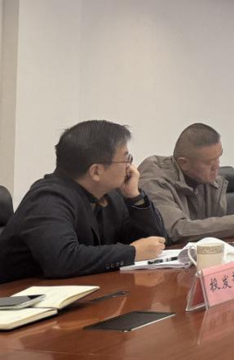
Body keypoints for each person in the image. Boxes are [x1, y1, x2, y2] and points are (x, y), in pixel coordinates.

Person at [0, 120, 167, 283]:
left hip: (79, 289)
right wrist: (132, 252)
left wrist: (134, 197)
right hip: (17, 295)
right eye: (126, 159)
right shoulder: (47, 199)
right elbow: (62, 260)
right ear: (96, 171)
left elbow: (154, 243)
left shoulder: (110, 196)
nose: (130, 167)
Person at [138, 123, 234, 243]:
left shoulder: (206, 179)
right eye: (209, 162)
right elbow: (176, 230)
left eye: (218, 157)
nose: (217, 166)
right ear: (184, 163)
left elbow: (216, 228)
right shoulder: (154, 181)